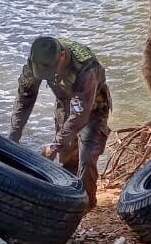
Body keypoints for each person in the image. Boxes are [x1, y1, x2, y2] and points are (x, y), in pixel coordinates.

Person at [9, 36, 112, 208]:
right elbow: (25, 97)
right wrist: (13, 137)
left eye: (51, 71)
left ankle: (86, 206)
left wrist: (54, 145)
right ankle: (70, 200)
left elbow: (81, 115)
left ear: (62, 56)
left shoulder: (86, 67)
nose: (48, 76)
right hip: (65, 104)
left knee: (87, 157)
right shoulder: (37, 58)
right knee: (67, 157)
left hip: (93, 107)